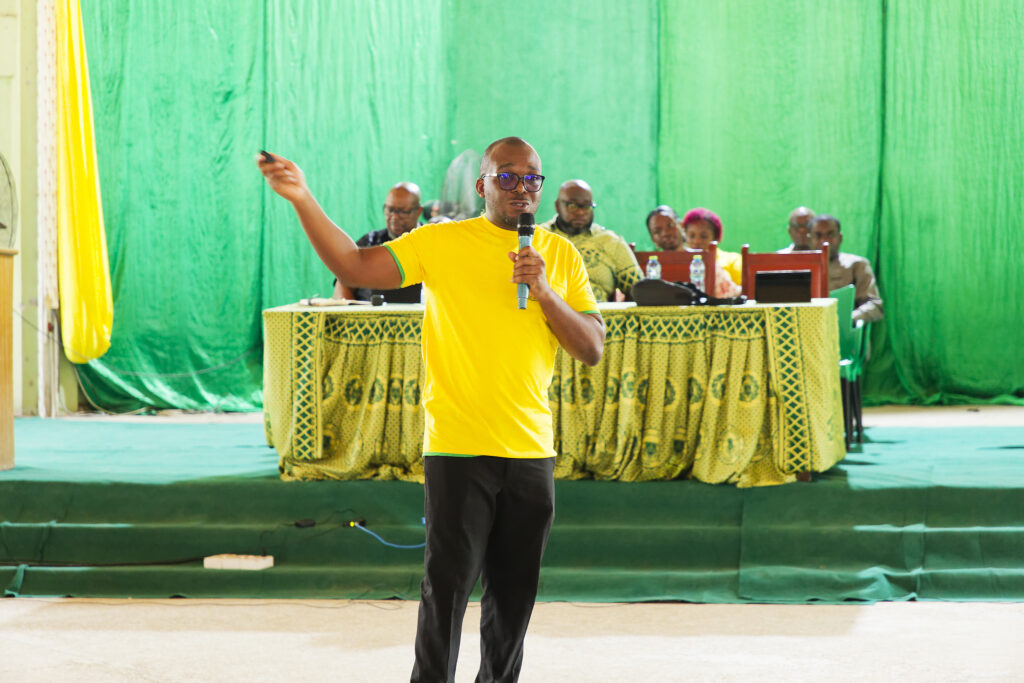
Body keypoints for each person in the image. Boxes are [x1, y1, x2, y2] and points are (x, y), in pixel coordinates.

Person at [258, 137, 604, 683]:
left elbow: (590, 348)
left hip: (530, 448)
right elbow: (353, 264)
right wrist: (302, 198)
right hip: (459, 445)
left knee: (514, 598)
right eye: (507, 176)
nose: (521, 188)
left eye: (532, 178)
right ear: (481, 184)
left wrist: (544, 292)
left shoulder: (559, 256)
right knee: (446, 590)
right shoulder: (442, 242)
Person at [538, 179, 642, 302]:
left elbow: (638, 289)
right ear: (557, 206)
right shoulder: (538, 236)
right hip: (544, 315)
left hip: (598, 316)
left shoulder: (610, 242)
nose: (580, 212)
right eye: (572, 205)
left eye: (587, 206)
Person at [333, 182, 424, 303]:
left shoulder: (430, 242)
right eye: (390, 210)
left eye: (403, 211)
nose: (395, 217)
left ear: (418, 211)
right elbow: (343, 280)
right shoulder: (370, 241)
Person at [809, 214, 883, 323]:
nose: (824, 241)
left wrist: (848, 319)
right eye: (818, 236)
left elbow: (875, 306)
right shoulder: (798, 268)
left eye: (830, 235)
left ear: (840, 238)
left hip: (846, 333)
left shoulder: (857, 265)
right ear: (809, 239)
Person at [680, 208, 742, 298]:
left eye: (704, 236)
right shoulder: (679, 263)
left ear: (716, 238)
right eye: (691, 236)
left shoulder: (734, 261)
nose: (697, 241)